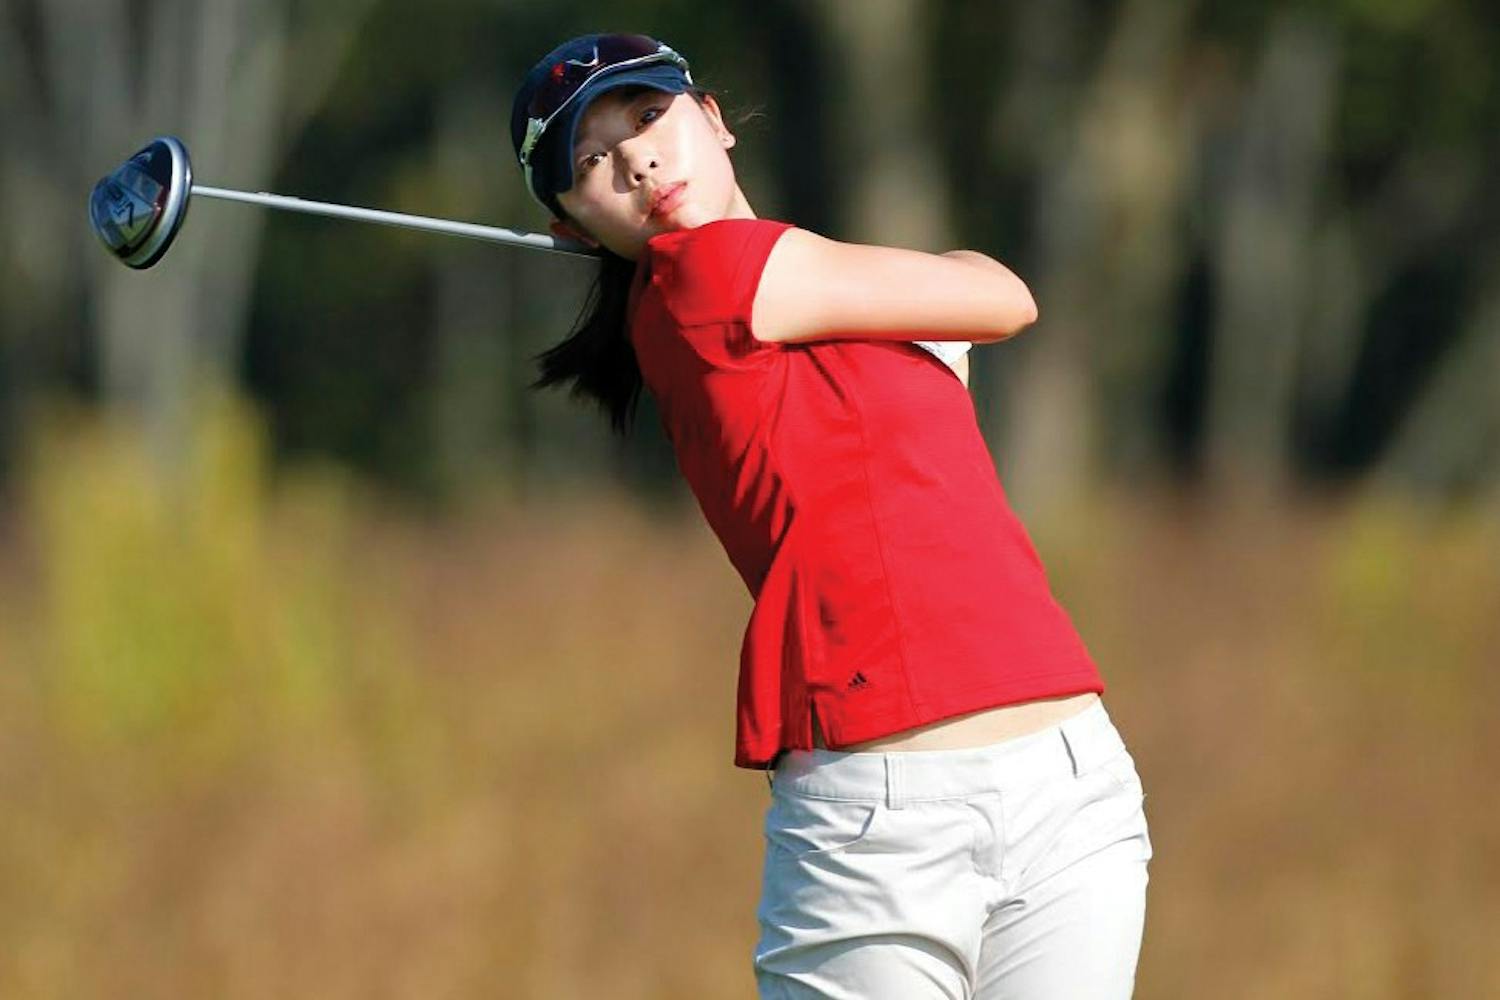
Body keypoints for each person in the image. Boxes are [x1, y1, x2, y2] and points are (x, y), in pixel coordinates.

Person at [509, 32, 1153, 999]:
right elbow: (1003, 295)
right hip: (882, 826)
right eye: (591, 162)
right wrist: (935, 290)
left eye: (647, 119)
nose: (636, 160)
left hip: (1068, 780)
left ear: (713, 120)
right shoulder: (708, 279)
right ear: (571, 225)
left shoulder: (792, 286)